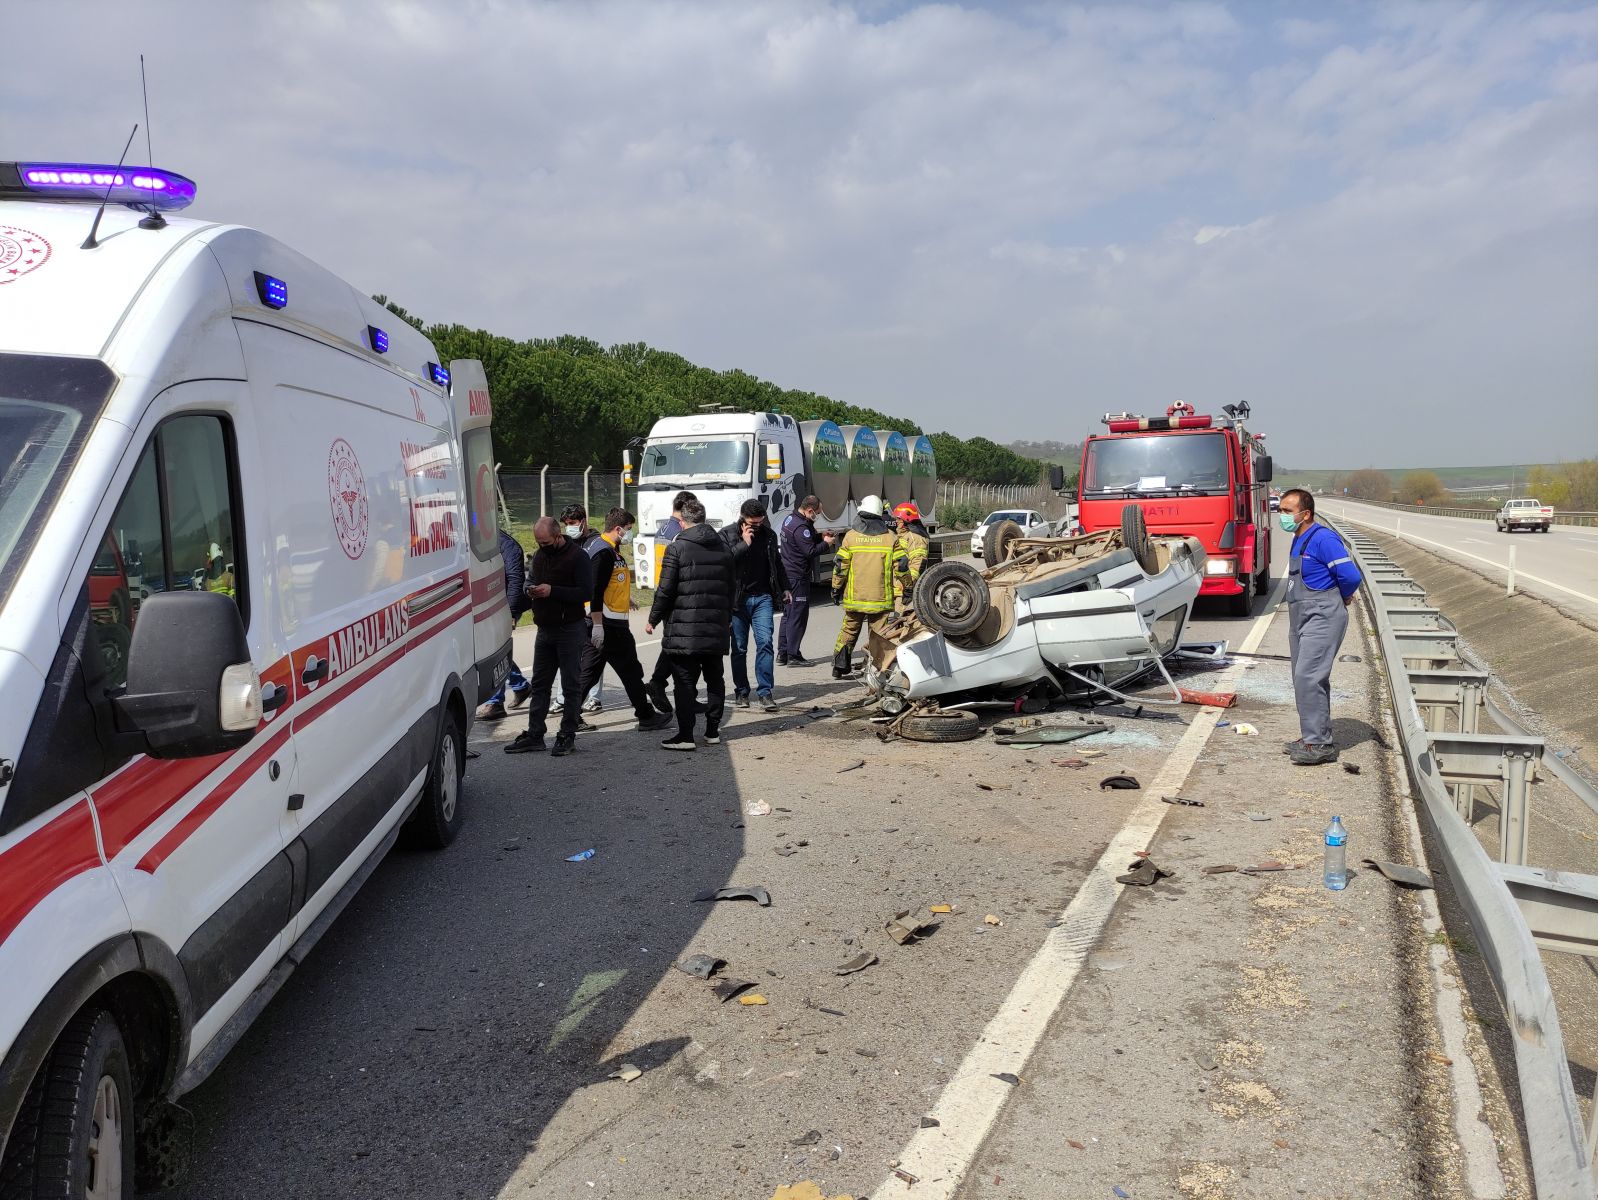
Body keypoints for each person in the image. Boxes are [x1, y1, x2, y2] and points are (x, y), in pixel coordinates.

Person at [1278, 488, 1361, 765]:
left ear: (1306, 514)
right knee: (1303, 678)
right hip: (1300, 615)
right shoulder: (1298, 539)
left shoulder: (1323, 538)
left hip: (1322, 615)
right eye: (1281, 510)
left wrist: (1343, 595)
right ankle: (1312, 736)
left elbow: (1349, 574)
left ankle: (1320, 744)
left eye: (1288, 511)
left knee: (1308, 676)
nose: (1283, 515)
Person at [646, 498, 734, 751]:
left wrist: (653, 618)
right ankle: (712, 731)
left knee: (684, 683)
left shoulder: (677, 548)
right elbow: (731, 589)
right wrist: (726, 617)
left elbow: (665, 589)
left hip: (684, 630)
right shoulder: (723, 547)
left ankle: (685, 736)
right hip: (715, 627)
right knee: (715, 679)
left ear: (683, 522)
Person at [576, 507, 673, 732]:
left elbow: (610, 582)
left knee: (587, 674)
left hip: (610, 623)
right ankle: (646, 715)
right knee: (630, 671)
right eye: (628, 529)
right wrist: (598, 625)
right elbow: (595, 591)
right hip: (608, 626)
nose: (629, 534)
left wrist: (624, 597)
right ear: (618, 529)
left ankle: (570, 718)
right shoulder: (602, 552)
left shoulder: (611, 548)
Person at [505, 517, 593, 757]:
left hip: (570, 628)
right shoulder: (541, 555)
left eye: (545, 541)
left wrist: (553, 591)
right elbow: (530, 580)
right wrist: (529, 589)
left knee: (570, 685)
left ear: (558, 535)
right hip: (544, 628)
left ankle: (567, 735)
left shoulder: (578, 557)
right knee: (540, 684)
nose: (541, 545)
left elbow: (586, 592)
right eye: (538, 542)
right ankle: (535, 734)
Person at [720, 498, 791, 712]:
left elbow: (777, 563)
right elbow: (724, 562)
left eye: (760, 522)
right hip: (737, 600)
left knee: (765, 643)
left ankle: (765, 692)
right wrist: (744, 543)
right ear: (742, 518)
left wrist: (785, 587)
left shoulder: (769, 535)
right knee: (739, 648)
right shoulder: (727, 534)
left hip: (763, 598)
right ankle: (742, 691)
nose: (757, 527)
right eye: (753, 523)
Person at [831, 494, 905, 679]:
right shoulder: (890, 538)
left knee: (849, 630)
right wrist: (909, 587)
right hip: (880, 599)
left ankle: (839, 667)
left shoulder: (850, 537)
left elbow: (840, 566)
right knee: (877, 634)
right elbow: (902, 566)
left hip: (855, 598)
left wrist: (835, 588)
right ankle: (875, 669)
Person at [644, 490, 697, 714]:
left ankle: (675, 690)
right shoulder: (679, 532)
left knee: (675, 645)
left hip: (663, 590)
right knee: (681, 647)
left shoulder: (663, 528)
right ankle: (663, 685)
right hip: (675, 595)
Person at [550, 502, 605, 715]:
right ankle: (563, 699)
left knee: (593, 652)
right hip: (571, 608)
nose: (569, 527)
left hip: (591, 607)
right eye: (566, 524)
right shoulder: (567, 544)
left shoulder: (596, 543)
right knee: (566, 654)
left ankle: (593, 697)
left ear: (583, 521)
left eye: (572, 523)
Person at [476, 527, 532, 720]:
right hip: (487, 605)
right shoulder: (478, 540)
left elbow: (516, 580)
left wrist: (512, 613)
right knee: (493, 650)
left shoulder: (507, 546)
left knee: (494, 652)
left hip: (504, 607)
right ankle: (520, 686)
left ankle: (495, 702)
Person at [778, 494, 835, 666]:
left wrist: (819, 536)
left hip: (788, 573)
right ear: (809, 510)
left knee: (788, 614)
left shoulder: (790, 519)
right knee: (797, 616)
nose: (817, 516)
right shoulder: (800, 526)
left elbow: (804, 540)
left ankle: (783, 653)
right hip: (797, 576)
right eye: (816, 513)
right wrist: (827, 544)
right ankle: (793, 655)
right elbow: (809, 551)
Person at [891, 501, 930, 614]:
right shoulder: (902, 536)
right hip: (897, 588)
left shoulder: (915, 538)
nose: (896, 522)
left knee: (900, 622)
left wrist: (908, 586)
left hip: (904, 590)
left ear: (906, 520)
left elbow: (917, 564)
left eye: (898, 519)